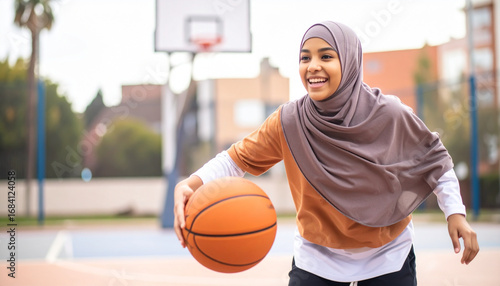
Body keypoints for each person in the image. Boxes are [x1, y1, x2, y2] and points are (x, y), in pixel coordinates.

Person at [173, 21, 479, 285]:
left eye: (326, 56)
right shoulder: (289, 122)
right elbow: (233, 160)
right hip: (317, 258)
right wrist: (192, 183)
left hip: (388, 254)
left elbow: (435, 161)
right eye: (305, 57)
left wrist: (455, 213)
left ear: (349, 62)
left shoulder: (390, 114)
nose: (313, 65)